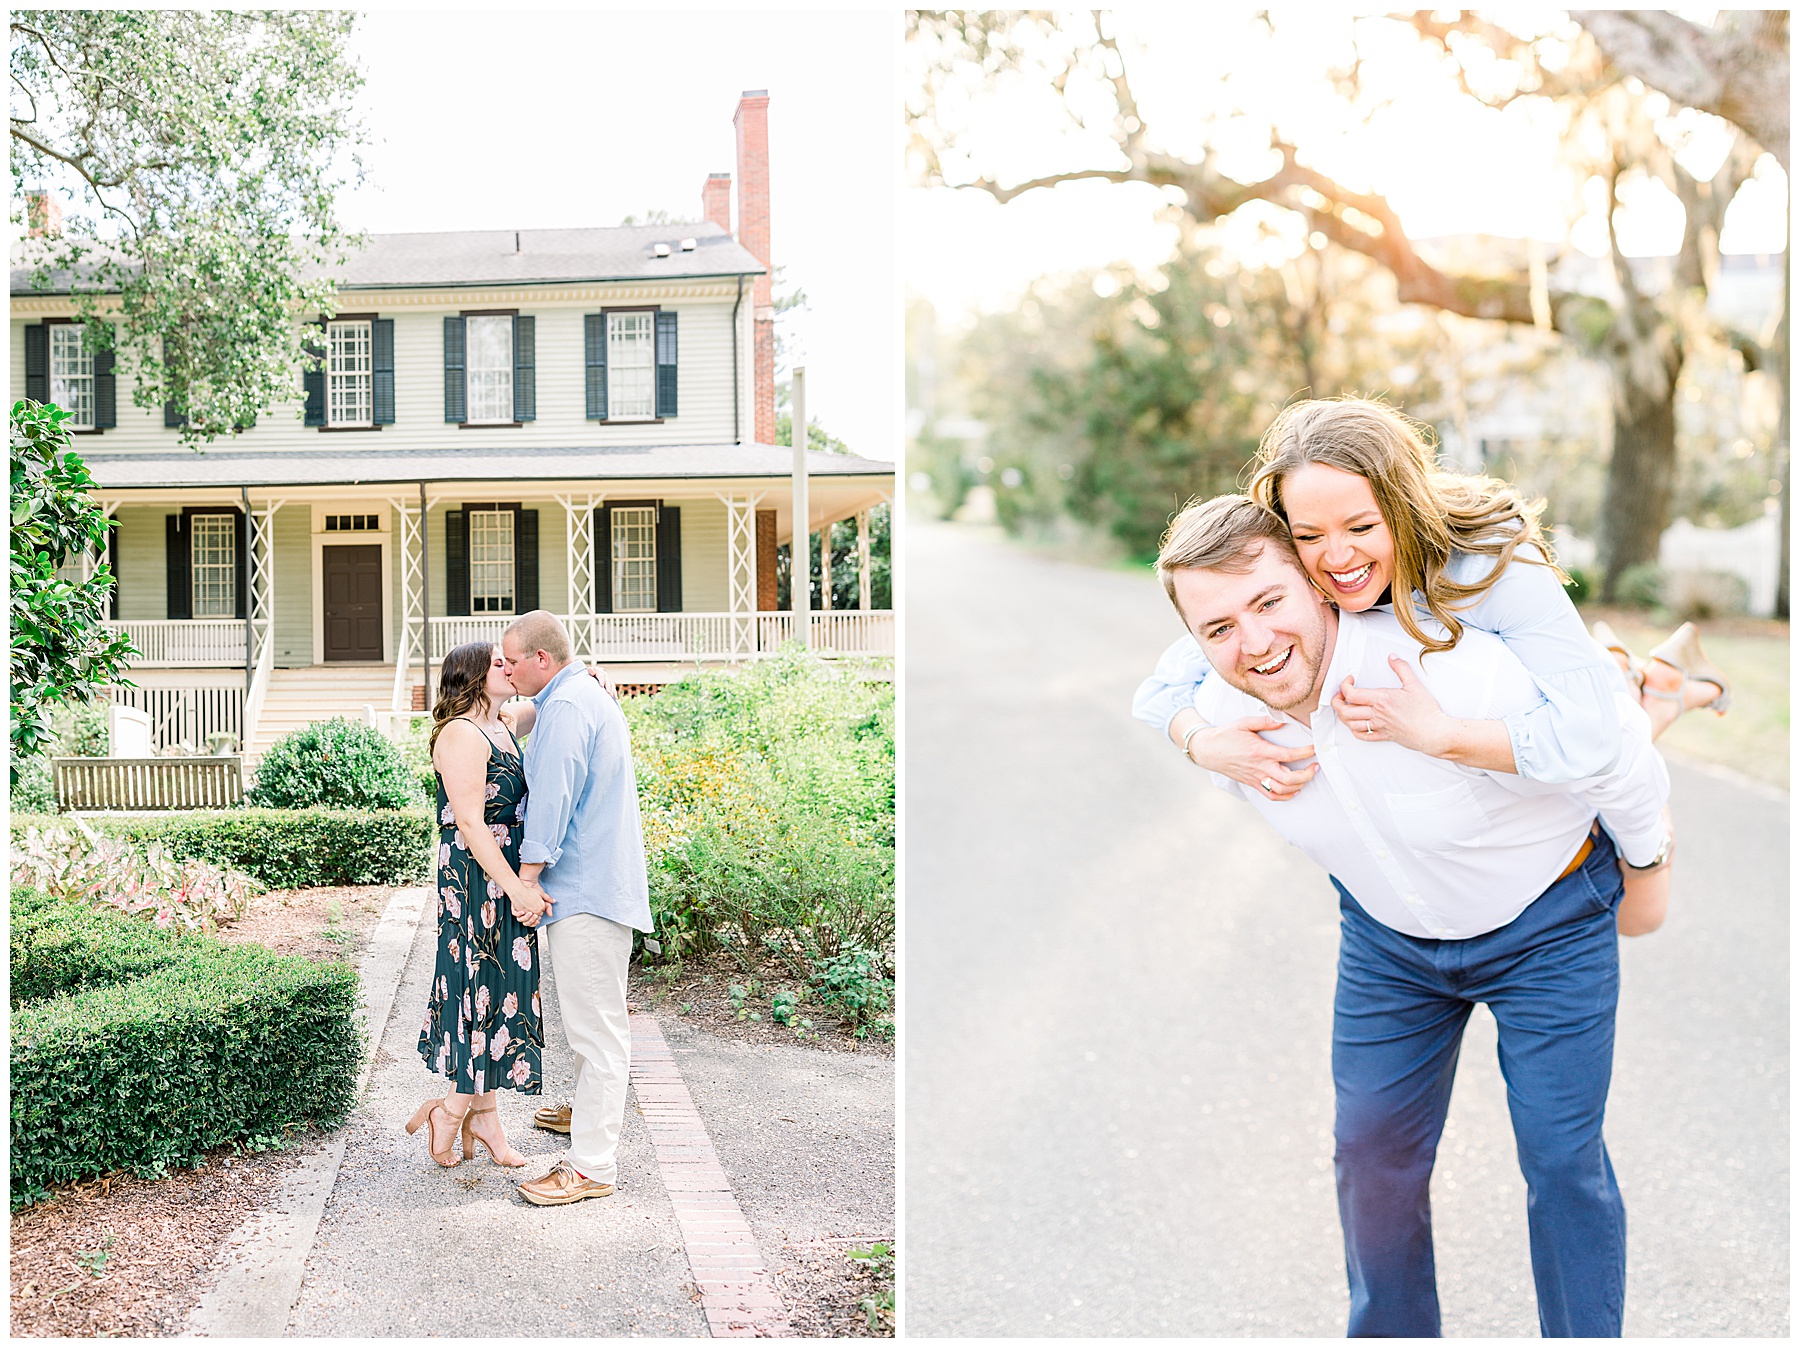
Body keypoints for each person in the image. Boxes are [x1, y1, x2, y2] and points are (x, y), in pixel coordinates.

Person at [1157, 494, 1669, 1337]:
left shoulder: (1450, 668)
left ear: (1319, 588)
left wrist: (1651, 864)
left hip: (1550, 921)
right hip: (1389, 943)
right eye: (1218, 630)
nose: (1252, 644)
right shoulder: (1223, 719)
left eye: (1269, 603)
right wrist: (1190, 734)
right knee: (1372, 1159)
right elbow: (1159, 693)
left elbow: (1613, 757)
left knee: (1561, 1160)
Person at [1133, 399, 1723, 933]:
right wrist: (1202, 743)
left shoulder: (1493, 566)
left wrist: (1443, 736)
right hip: (1545, 696)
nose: (1337, 559)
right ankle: (1651, 681)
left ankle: (1648, 685)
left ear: (1402, 506)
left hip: (1557, 684)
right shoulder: (1300, 580)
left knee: (1639, 913)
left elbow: (1591, 739)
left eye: (1362, 528)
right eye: (1311, 535)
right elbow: (1166, 684)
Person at [499, 610, 654, 1207]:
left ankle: (591, 1167)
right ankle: (589, 1116)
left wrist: (528, 876)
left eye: (513, 662)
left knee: (598, 1032)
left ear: (542, 659)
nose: (507, 673)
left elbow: (555, 795)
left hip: (583, 889)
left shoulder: (567, 707)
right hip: (599, 886)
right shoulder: (577, 693)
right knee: (592, 1025)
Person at [406, 641, 547, 1169]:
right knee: (476, 983)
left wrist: (585, 678)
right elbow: (468, 822)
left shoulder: (501, 721)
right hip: (476, 874)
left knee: (498, 986)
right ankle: (451, 1110)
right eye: (497, 663)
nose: (508, 667)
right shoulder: (462, 733)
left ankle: (483, 1115)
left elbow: (544, 702)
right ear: (470, 676)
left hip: (502, 867)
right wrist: (516, 887)